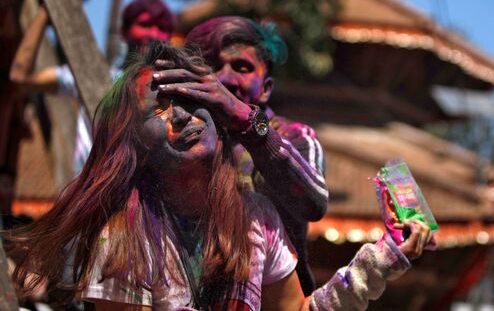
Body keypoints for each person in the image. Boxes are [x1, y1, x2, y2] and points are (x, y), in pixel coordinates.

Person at [8, 43, 433, 310]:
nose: (179, 114)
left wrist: (380, 260)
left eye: (189, 96)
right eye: (158, 107)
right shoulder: (122, 239)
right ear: (137, 145)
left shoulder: (258, 218)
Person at [153, 17, 326, 294]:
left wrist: (246, 122)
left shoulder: (294, 135)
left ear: (266, 88)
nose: (224, 79)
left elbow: (314, 204)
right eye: (211, 66)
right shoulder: (178, 134)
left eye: (242, 67)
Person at [10, 0, 175, 176]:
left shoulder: (172, 89)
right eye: (144, 25)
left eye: (162, 28)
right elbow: (21, 76)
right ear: (124, 32)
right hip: (88, 192)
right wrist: (44, 11)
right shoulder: (92, 76)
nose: (153, 34)